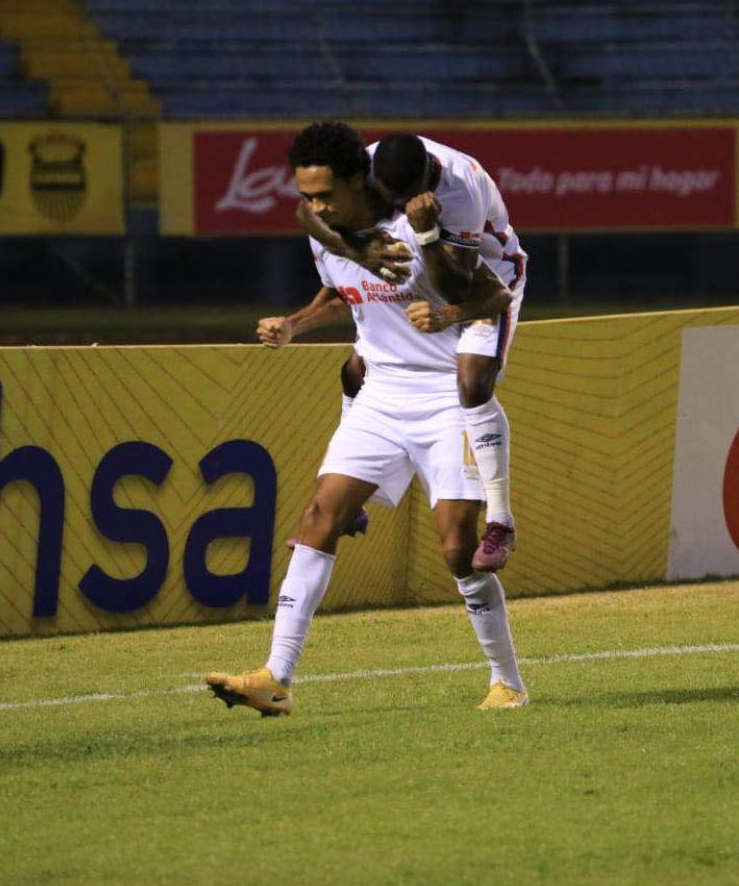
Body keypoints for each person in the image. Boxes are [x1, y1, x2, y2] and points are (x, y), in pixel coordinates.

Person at [206, 121, 529, 716]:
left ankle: (507, 681)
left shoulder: (424, 221)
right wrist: (295, 324)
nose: (313, 208)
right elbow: (340, 296)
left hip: (442, 397)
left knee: (459, 549)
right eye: (306, 197)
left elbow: (493, 295)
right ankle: (275, 675)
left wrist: (450, 302)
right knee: (319, 515)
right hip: (381, 393)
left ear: (364, 181)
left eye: (324, 195)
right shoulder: (327, 234)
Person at [298, 132, 526, 572]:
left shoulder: (460, 188)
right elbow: (306, 213)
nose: (399, 209)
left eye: (407, 201)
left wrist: (424, 231)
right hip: (420, 272)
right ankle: (355, 497)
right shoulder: (361, 168)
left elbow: (459, 286)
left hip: (490, 279)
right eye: (392, 201)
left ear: (426, 183)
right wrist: (359, 252)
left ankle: (500, 521)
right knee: (357, 370)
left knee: (472, 380)